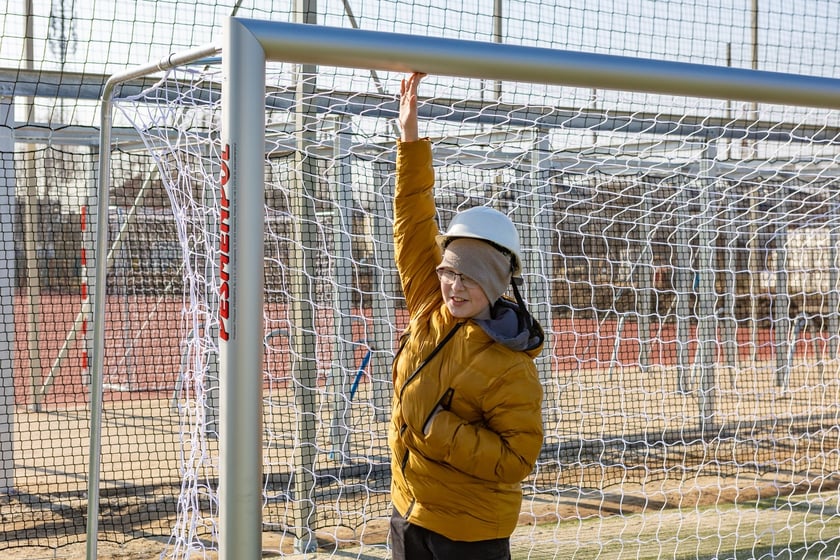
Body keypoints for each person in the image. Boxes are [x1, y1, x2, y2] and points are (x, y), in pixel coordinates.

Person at [388, 72, 545, 560]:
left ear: (497, 283)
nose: (454, 287)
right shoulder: (430, 308)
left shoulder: (510, 364)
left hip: (468, 535)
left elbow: (518, 459)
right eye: (448, 272)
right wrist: (410, 140)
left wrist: (436, 430)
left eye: (469, 278)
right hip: (408, 512)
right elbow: (413, 221)